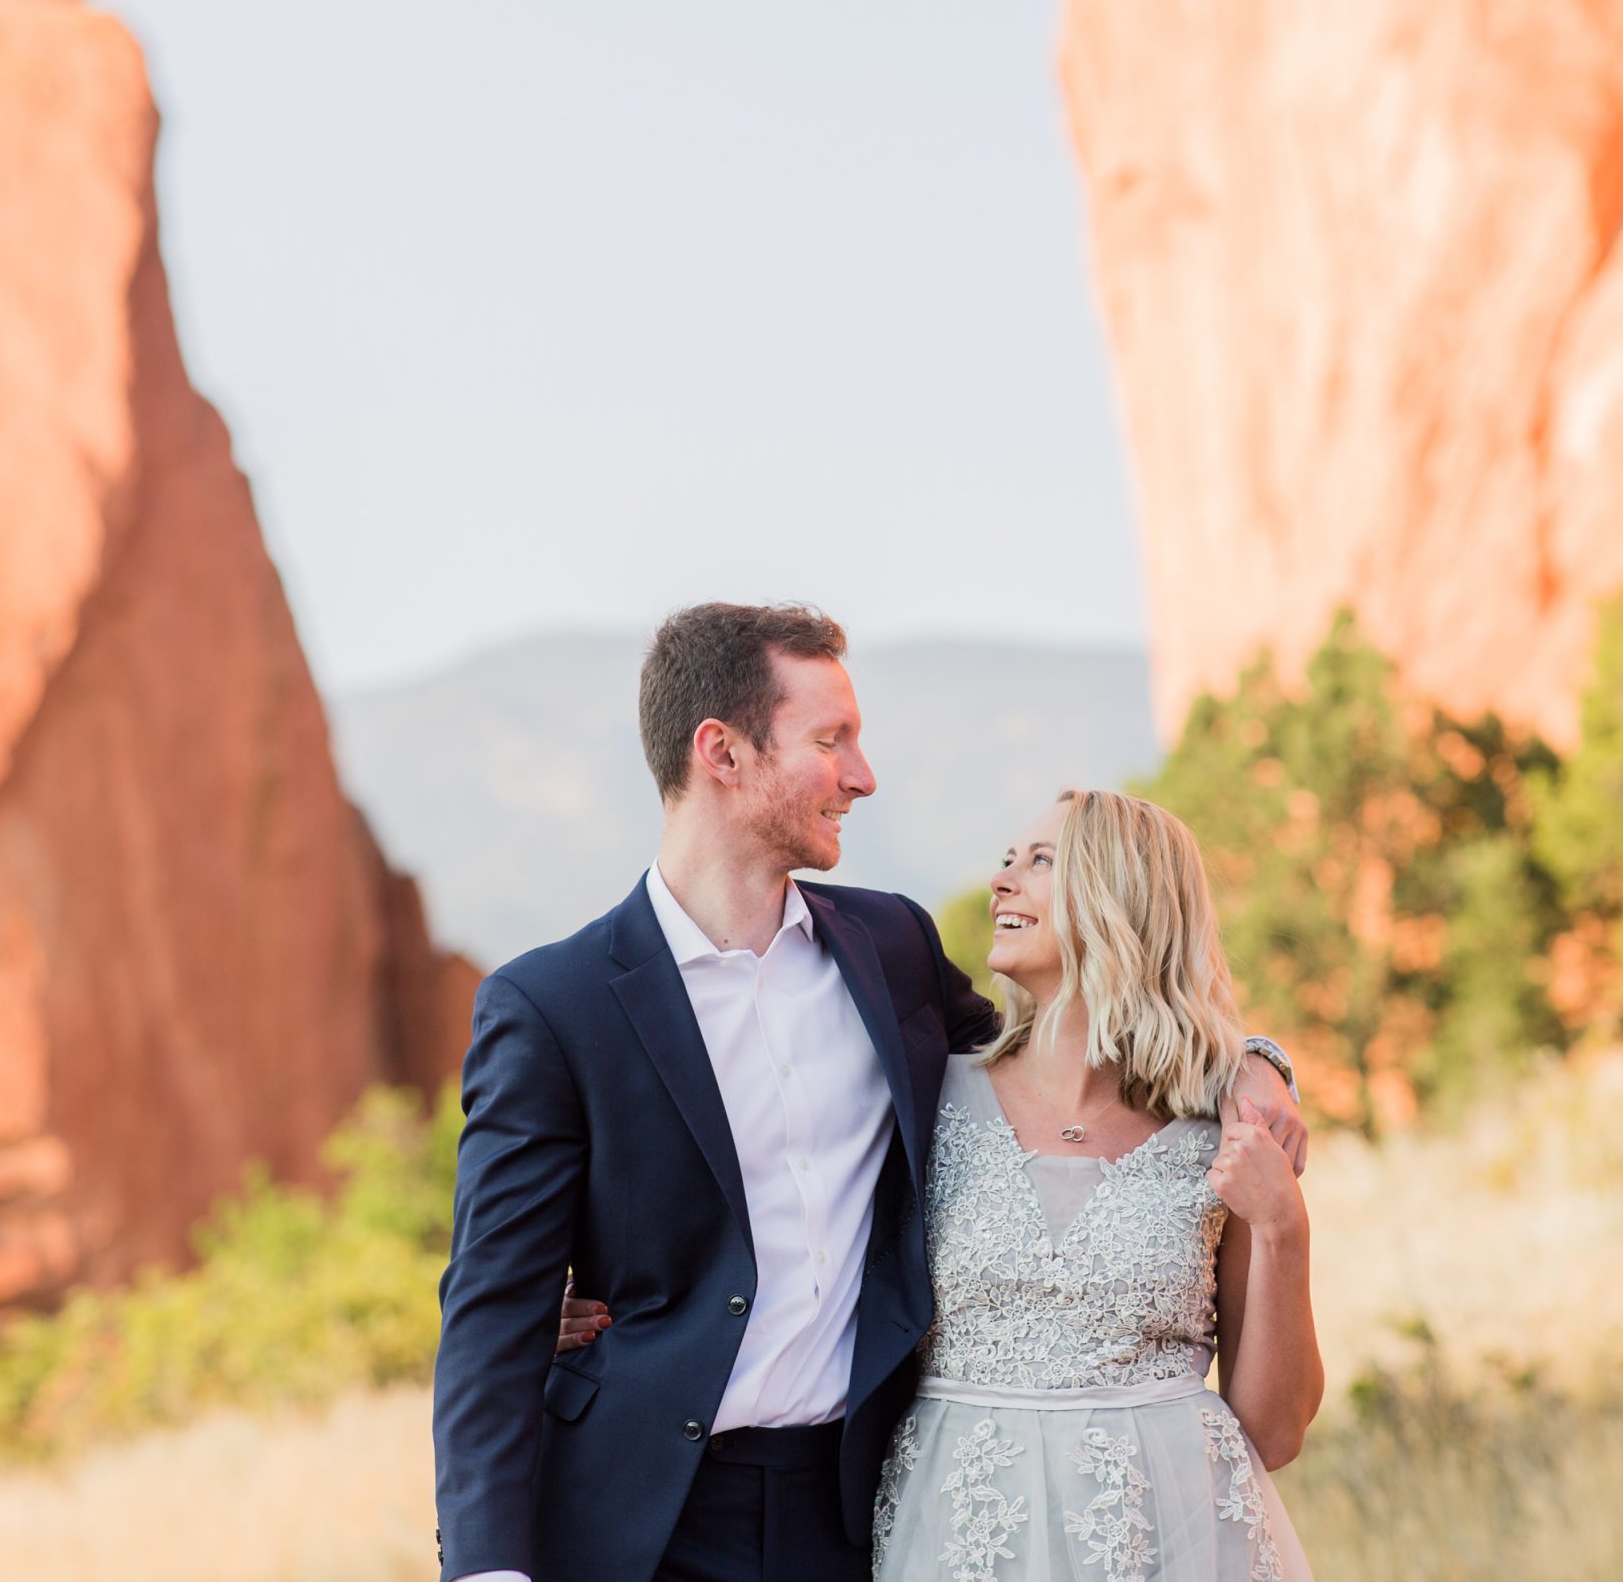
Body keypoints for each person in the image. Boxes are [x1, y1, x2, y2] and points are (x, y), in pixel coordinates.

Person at [431, 603, 1305, 1582]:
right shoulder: (553, 1005)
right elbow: (490, 1317)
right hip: (638, 1522)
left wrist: (1251, 1062)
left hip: (859, 1513)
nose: (862, 774)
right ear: (721, 750)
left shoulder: (891, 950)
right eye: (830, 739)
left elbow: (1071, 1056)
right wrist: (485, 1569)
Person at [867, 788, 1321, 1581]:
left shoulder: (1227, 1130)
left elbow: (1275, 1435)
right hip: (961, 1536)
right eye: (1008, 860)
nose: (1003, 881)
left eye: (1042, 862)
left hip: (1176, 1538)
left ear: (1122, 900)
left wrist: (1285, 1228)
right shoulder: (925, 1096)